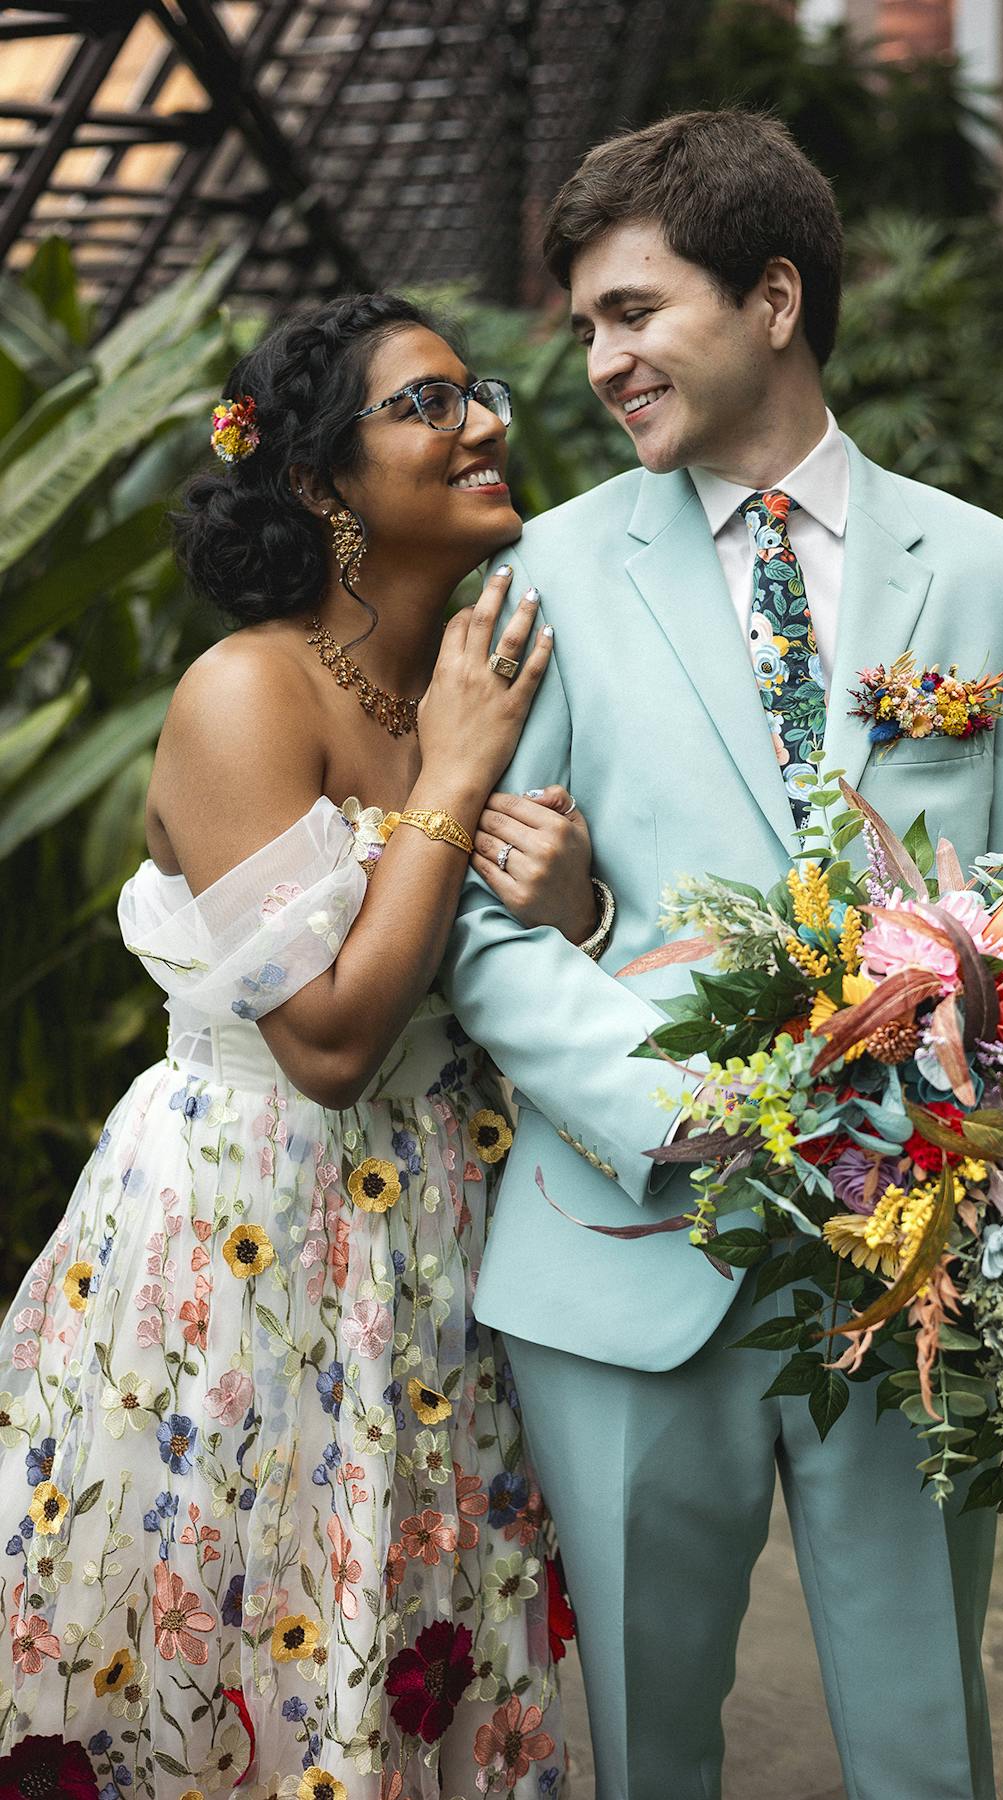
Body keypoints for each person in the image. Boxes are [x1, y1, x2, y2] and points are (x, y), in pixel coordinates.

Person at [444, 110, 1003, 1800]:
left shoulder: (987, 573)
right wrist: (684, 1109)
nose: (599, 361)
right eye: (587, 322)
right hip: (623, 1246)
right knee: (644, 1745)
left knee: (921, 1735)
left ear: (776, 297)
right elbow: (478, 918)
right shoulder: (544, 573)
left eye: (633, 311)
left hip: (910, 1267)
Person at [0, 295, 594, 1800]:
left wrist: (570, 895)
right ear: (324, 485)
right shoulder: (246, 691)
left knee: (392, 1628)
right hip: (248, 1231)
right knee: (231, 1629)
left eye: (482, 392)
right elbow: (327, 1040)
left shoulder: (468, 682)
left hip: (439, 1254)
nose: (484, 424)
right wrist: (458, 780)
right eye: (428, 405)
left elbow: (503, 976)